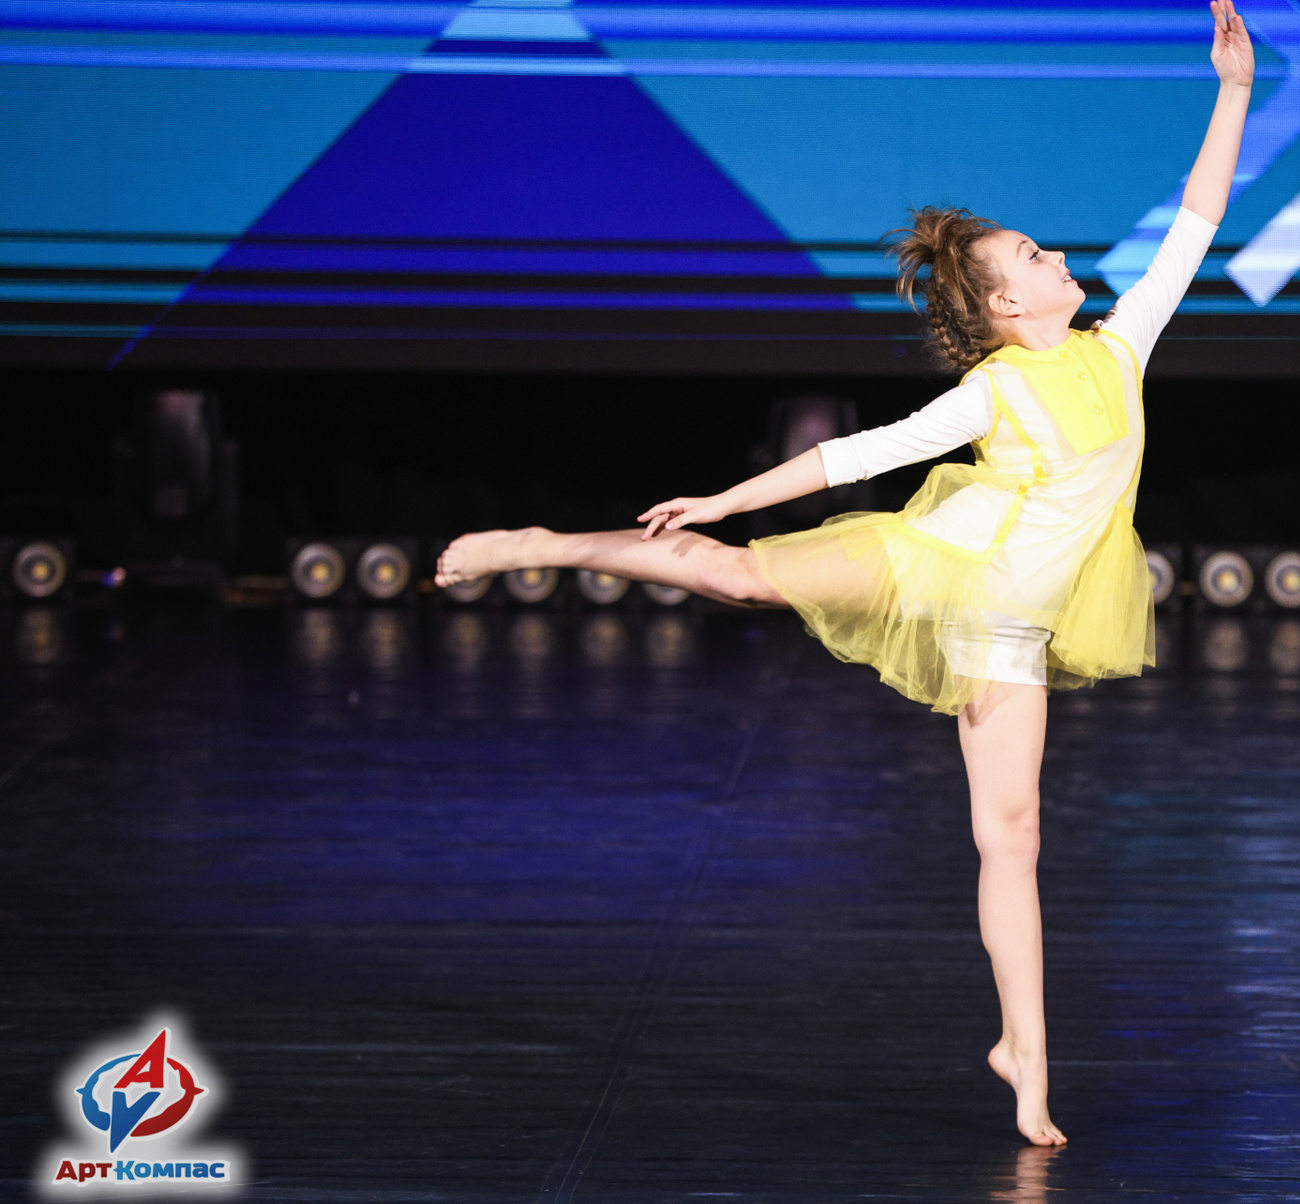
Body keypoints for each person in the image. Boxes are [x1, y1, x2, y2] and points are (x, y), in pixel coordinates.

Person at [434, 0, 1253, 1147]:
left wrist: (1232, 89)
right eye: (1036, 256)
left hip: (1013, 630)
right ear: (1006, 305)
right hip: (938, 570)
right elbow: (857, 455)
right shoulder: (993, 390)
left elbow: (1198, 218)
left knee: (1013, 839)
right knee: (737, 578)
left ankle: (1025, 1058)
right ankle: (547, 546)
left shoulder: (1123, 345)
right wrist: (727, 497)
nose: (1061, 257)